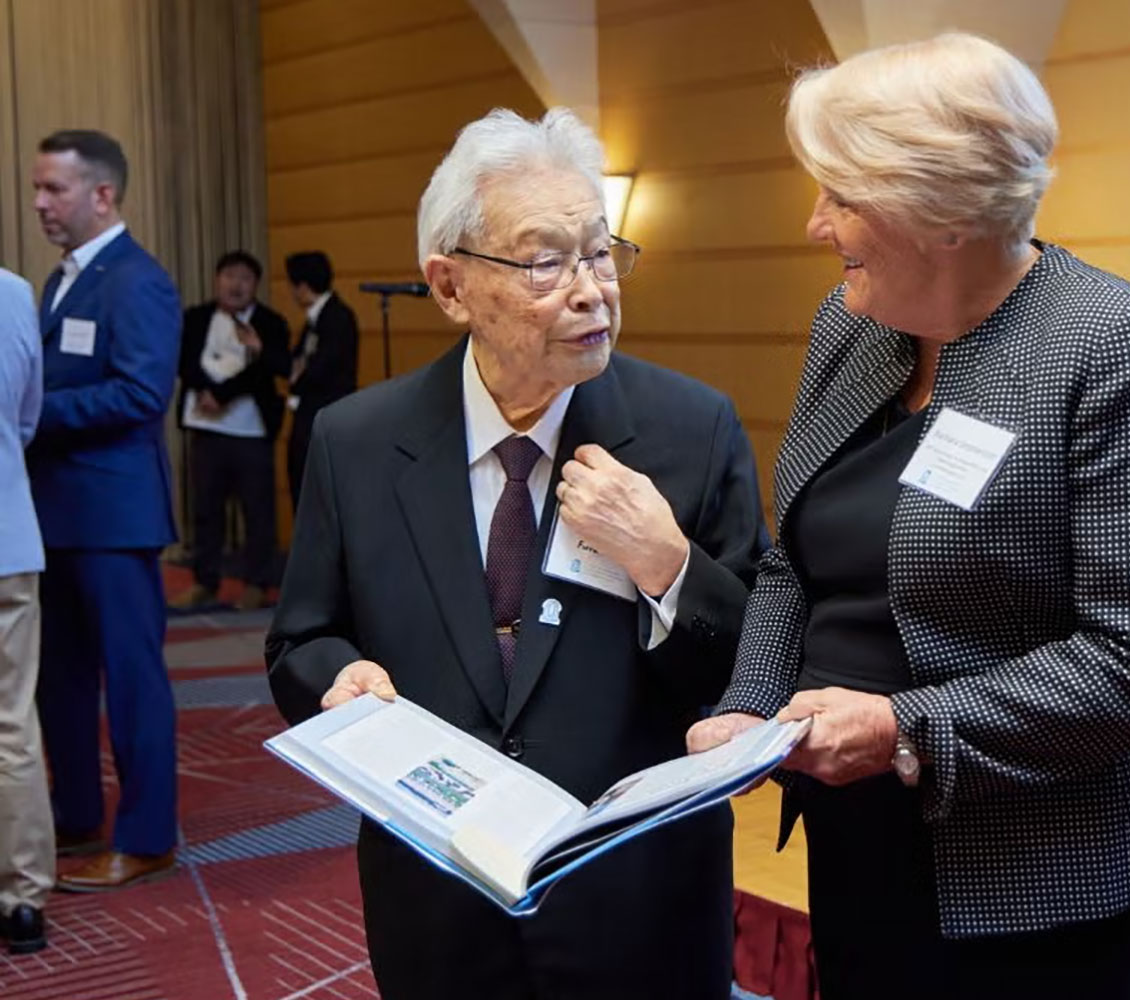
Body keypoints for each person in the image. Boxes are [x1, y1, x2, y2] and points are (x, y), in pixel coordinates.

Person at [688, 33, 1130, 1000]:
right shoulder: (849, 324)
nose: (816, 225)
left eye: (841, 196)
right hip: (858, 844)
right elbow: (794, 566)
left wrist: (903, 728)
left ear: (937, 213)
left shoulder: (1116, 347)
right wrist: (746, 707)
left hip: (1047, 880)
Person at [266, 107, 769, 1000]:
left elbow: (758, 661)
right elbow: (301, 637)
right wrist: (336, 682)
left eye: (600, 251)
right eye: (545, 261)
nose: (590, 289)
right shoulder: (356, 442)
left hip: (638, 902)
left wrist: (669, 567)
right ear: (450, 286)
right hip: (438, 896)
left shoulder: (691, 429)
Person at [28, 129, 181, 890]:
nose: (38, 204)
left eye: (52, 189)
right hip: (56, 517)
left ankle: (149, 835)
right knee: (59, 680)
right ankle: (76, 816)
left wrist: (30, 411)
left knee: (131, 681)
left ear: (102, 194)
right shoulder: (58, 282)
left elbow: (141, 394)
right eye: (37, 189)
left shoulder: (136, 279)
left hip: (115, 519)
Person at [170, 250, 292, 612]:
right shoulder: (196, 317)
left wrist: (222, 394)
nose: (236, 285)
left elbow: (271, 368)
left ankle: (256, 582)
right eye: (229, 276)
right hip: (204, 427)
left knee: (257, 511)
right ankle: (205, 581)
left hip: (251, 431)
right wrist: (206, 391)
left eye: (245, 278)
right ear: (217, 280)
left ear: (255, 285)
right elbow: (183, 361)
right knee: (205, 509)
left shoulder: (271, 322)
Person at [0, 266, 50, 952]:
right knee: (12, 722)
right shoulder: (14, 292)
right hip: (8, 535)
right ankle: (25, 897)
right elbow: (28, 416)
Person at [284, 250, 356, 514]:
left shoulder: (336, 318)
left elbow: (315, 369)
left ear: (302, 286)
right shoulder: (319, 318)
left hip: (324, 418)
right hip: (313, 417)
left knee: (318, 499)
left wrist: (298, 373)